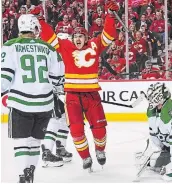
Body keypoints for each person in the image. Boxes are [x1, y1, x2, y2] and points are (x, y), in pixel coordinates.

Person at [30, 0, 119, 171]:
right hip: (72, 96)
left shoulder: (95, 44)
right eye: (75, 37)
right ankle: (85, 157)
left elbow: (108, 35)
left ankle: (100, 151)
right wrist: (40, 19)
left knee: (99, 129)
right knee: (76, 130)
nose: (78, 39)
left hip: (92, 95)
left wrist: (110, 16)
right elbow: (49, 37)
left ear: (87, 37)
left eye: (81, 36)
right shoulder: (66, 46)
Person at [1, 14, 64, 183]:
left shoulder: (9, 46)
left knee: (21, 142)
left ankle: (23, 175)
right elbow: (58, 78)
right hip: (44, 104)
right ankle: (31, 171)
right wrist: (58, 87)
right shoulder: (49, 48)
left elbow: (4, 79)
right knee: (35, 141)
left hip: (21, 103)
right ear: (35, 28)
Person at [41, 33, 72, 167]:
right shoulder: (53, 56)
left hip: (57, 94)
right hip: (49, 93)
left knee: (65, 118)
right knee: (54, 120)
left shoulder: (63, 56)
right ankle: (47, 152)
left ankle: (60, 148)